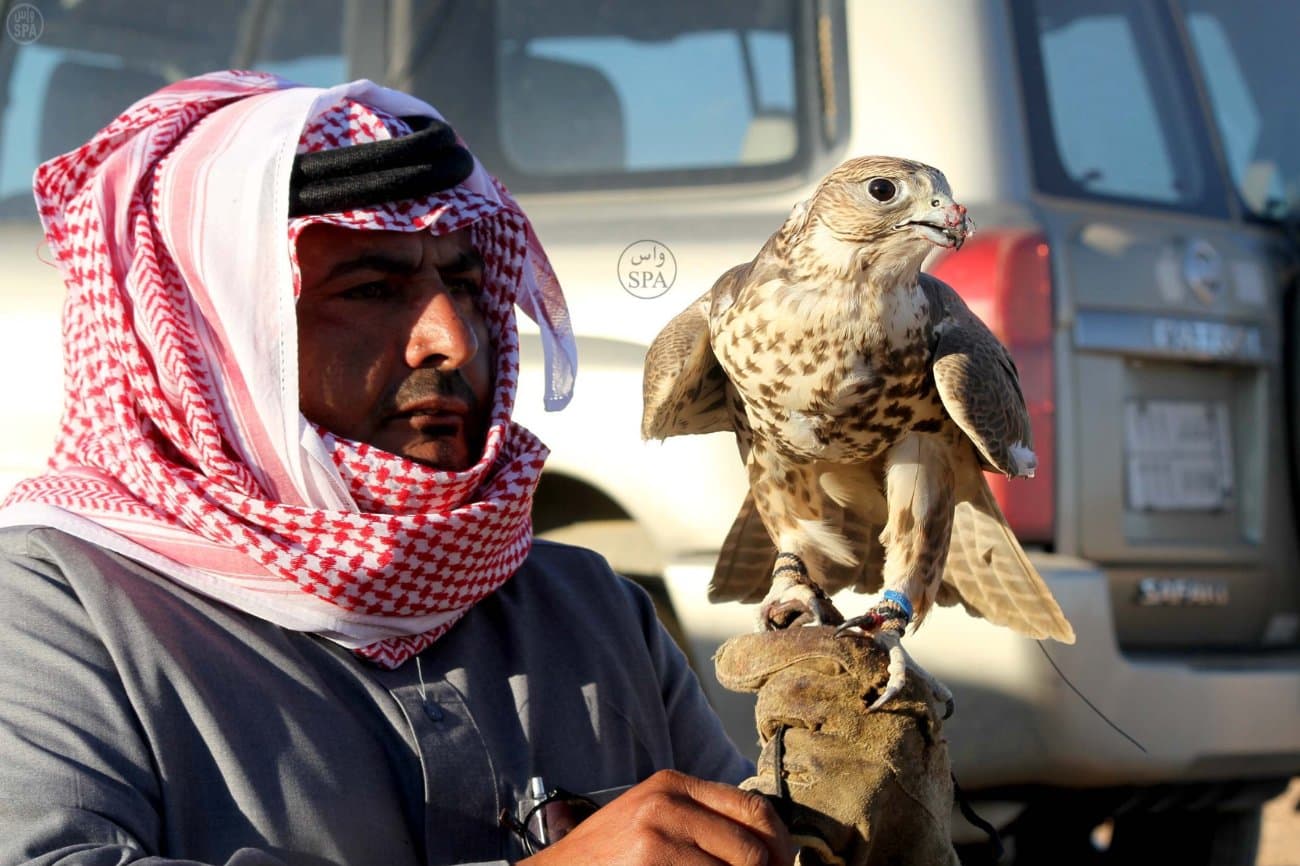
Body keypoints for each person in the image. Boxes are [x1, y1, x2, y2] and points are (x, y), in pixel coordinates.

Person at [0, 71, 794, 866]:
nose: (452, 338)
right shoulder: (53, 607)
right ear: (215, 341)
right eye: (373, 288)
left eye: (464, 282)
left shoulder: (591, 611)